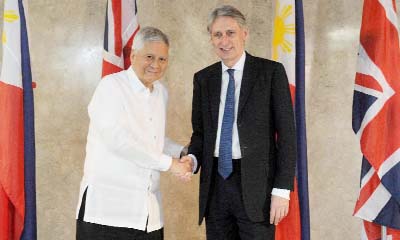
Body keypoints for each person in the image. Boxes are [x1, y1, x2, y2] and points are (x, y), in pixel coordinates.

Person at [184, 5, 297, 240]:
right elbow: (200, 134)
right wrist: (192, 159)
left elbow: (287, 136)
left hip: (257, 189)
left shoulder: (271, 73)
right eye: (217, 34)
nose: (224, 41)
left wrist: (282, 190)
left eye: (230, 33)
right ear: (211, 39)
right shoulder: (203, 79)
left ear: (244, 33)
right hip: (215, 186)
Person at [75, 27, 192, 240]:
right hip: (107, 214)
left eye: (162, 59)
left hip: (148, 215)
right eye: (149, 56)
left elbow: (152, 140)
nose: (155, 65)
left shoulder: (160, 93)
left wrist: (181, 151)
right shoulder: (111, 87)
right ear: (133, 55)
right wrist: (170, 164)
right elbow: (119, 141)